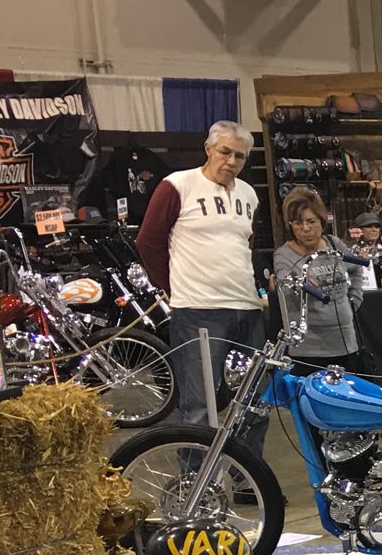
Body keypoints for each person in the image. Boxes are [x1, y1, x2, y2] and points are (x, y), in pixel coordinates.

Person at [136, 119, 267, 451]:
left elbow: (246, 245)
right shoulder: (177, 185)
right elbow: (148, 242)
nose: (232, 162)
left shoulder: (249, 194)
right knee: (199, 406)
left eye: (239, 156)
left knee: (255, 402)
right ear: (208, 149)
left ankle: (249, 482)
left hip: (247, 310)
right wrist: (172, 287)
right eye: (225, 152)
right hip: (198, 312)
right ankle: (198, 486)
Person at [271, 188, 363, 371]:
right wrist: (296, 284)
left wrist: (355, 299)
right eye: (297, 223)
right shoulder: (284, 255)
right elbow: (284, 281)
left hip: (345, 342)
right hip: (309, 349)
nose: (305, 229)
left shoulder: (334, 244)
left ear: (322, 221)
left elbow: (356, 267)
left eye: (311, 221)